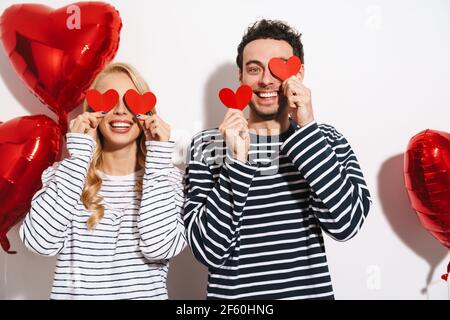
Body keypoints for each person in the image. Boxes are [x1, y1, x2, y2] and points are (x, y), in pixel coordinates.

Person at [183, 19, 372, 299]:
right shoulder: (208, 145)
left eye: (278, 67)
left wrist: (307, 130)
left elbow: (346, 225)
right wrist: (237, 161)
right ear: (240, 77)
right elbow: (208, 251)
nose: (266, 80)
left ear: (299, 73)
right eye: (254, 69)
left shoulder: (325, 139)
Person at [20, 62, 186, 299]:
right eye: (109, 102)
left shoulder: (167, 179)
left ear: (147, 113)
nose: (120, 111)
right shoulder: (65, 175)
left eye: (130, 102)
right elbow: (39, 242)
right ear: (93, 112)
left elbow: (158, 247)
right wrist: (78, 156)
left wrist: (158, 156)